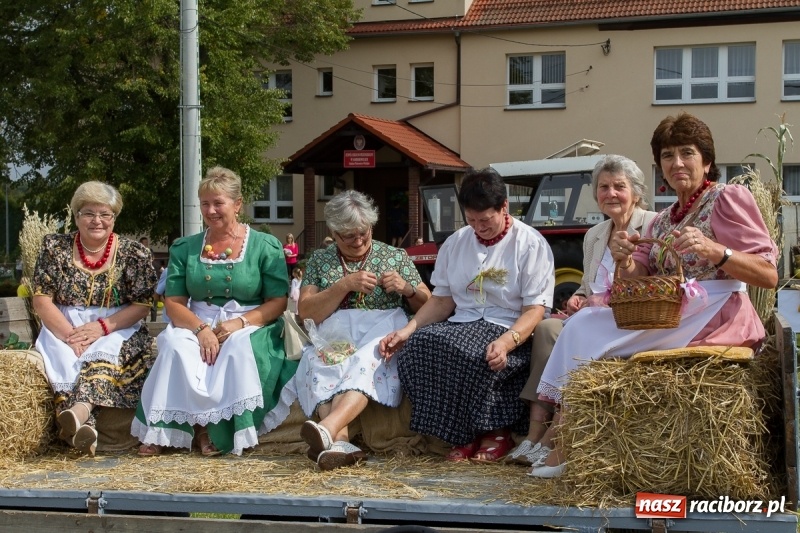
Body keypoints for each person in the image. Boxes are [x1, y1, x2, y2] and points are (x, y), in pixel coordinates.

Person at [530, 113, 778, 478]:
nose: (676, 163)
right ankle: (566, 444)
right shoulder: (664, 220)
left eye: (687, 153)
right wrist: (624, 257)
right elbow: (639, 276)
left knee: (584, 329)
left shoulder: (727, 198)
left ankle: (561, 445)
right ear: (660, 166)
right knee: (582, 324)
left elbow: (769, 274)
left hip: (716, 311)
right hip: (674, 311)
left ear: (707, 161)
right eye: (667, 155)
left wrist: (716, 251)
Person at [380, 168, 555, 463]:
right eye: (471, 220)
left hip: (508, 326)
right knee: (421, 345)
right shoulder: (456, 242)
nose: (478, 227)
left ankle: (495, 431)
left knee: (471, 351)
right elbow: (443, 300)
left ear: (504, 207)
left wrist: (507, 341)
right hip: (463, 322)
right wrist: (408, 330)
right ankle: (461, 433)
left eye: (485, 220)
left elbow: (535, 309)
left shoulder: (530, 243)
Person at [133, 166, 296, 456]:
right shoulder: (185, 247)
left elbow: (277, 301)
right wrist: (200, 329)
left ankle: (214, 430)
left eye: (218, 203)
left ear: (237, 204)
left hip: (250, 322)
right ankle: (165, 430)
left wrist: (239, 323)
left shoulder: (264, 246)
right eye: (205, 203)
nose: (211, 210)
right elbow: (173, 302)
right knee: (173, 345)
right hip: (196, 321)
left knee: (236, 348)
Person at [508, 155, 657, 466]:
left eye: (619, 186)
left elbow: (653, 280)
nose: (611, 193)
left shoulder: (653, 224)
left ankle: (551, 438)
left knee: (567, 331)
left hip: (628, 319)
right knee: (548, 327)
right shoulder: (595, 235)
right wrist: (577, 297)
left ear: (637, 192)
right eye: (603, 187)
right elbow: (589, 284)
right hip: (591, 315)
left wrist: (594, 303)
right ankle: (533, 436)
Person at [295, 190, 430, 471]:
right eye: (348, 236)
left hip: (381, 333)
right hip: (335, 335)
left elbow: (428, 304)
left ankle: (328, 427)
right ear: (334, 231)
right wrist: (343, 285)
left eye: (363, 233)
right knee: (318, 361)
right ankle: (340, 444)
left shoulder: (395, 256)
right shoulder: (321, 260)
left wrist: (406, 289)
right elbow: (306, 311)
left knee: (366, 360)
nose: (358, 241)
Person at [32, 181, 157, 456]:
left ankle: (79, 412)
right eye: (88, 213)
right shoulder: (55, 247)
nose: (97, 221)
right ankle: (83, 426)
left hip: (117, 326)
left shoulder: (134, 253)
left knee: (104, 354)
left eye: (105, 214)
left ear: (114, 217)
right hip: (62, 324)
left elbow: (142, 304)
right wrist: (70, 336)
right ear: (76, 216)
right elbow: (42, 300)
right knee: (64, 360)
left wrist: (102, 328)